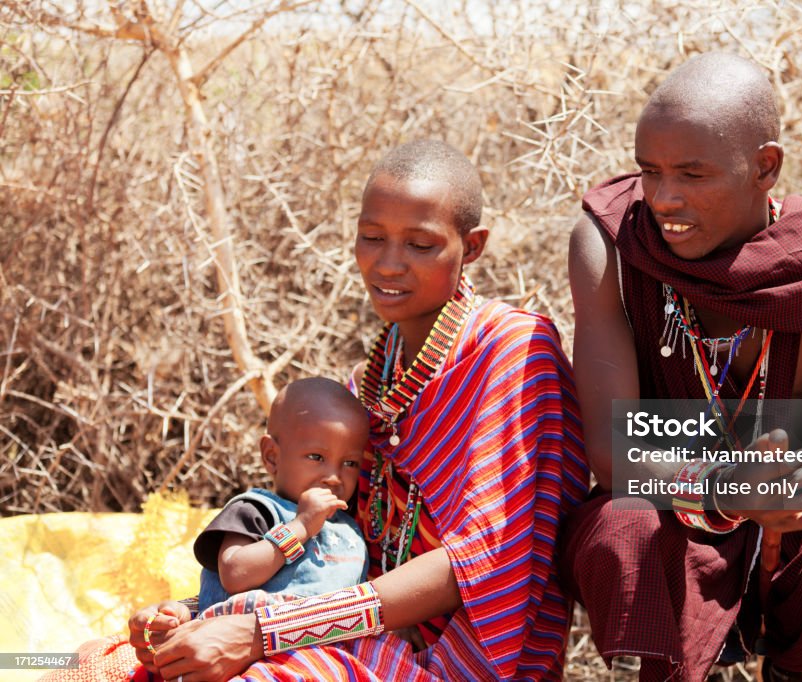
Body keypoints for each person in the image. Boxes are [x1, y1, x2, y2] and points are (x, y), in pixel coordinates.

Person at [116, 139, 589, 681]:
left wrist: (262, 633)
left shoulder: (514, 350)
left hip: (466, 662)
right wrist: (204, 612)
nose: (388, 263)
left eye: (420, 245)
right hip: (354, 634)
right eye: (371, 237)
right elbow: (326, 555)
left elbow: (482, 557)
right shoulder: (366, 387)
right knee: (114, 663)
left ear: (473, 246)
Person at [558, 52, 802, 681]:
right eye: (650, 171)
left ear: (765, 167)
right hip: (677, 502)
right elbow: (612, 453)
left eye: (692, 174)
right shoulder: (612, 240)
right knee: (619, 531)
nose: (664, 198)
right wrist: (726, 489)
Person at [193, 377, 368, 615]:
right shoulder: (257, 510)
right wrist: (301, 526)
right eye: (317, 457)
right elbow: (235, 574)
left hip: (325, 641)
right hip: (251, 638)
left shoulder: (350, 530)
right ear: (272, 456)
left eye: (350, 463)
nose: (334, 477)